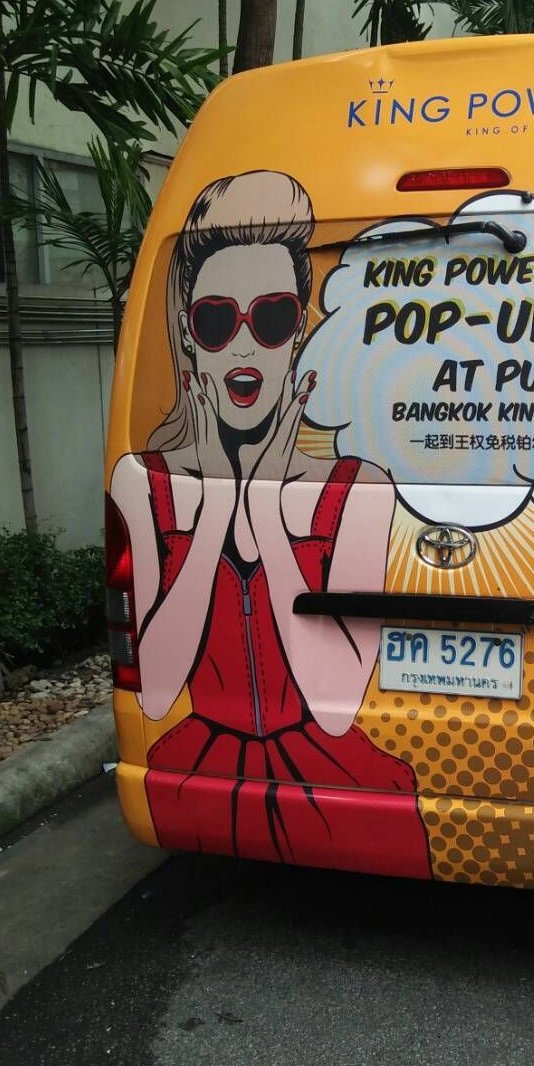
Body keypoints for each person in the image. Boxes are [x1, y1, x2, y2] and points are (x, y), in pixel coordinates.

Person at [110, 171, 430, 874]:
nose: (244, 346)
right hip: (194, 770)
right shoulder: (146, 484)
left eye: (273, 317)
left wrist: (266, 508)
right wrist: (220, 504)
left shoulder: (358, 489)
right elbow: (157, 691)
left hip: (336, 773)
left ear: (298, 335)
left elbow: (335, 708)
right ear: (189, 336)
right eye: (217, 321)